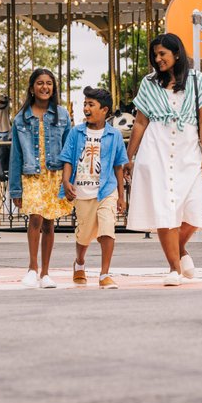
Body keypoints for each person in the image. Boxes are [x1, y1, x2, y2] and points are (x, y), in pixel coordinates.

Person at [124, 33, 202, 286]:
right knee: (165, 209)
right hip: (156, 151)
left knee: (194, 209)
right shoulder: (149, 82)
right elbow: (140, 123)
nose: (158, 59)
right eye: (155, 55)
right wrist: (128, 157)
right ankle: (174, 267)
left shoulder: (197, 81)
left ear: (176, 53)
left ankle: (181, 249)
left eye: (162, 53)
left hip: (188, 151)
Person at [58, 86, 128, 289]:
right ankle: (79, 262)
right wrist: (66, 181)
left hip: (106, 190)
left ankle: (105, 273)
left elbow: (118, 167)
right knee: (84, 234)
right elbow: (67, 159)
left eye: (91, 104)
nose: (86, 108)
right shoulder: (76, 132)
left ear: (104, 110)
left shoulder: (114, 136)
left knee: (107, 229)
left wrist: (121, 196)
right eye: (85, 104)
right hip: (82, 191)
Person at [8, 67, 72, 289]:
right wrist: (15, 189)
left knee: (49, 222)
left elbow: (69, 152)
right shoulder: (21, 119)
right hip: (32, 174)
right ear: (32, 88)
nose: (45, 87)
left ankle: (45, 272)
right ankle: (32, 268)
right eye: (40, 83)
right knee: (35, 217)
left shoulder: (62, 115)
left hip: (54, 174)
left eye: (49, 83)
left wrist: (68, 180)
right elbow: (15, 156)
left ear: (53, 88)